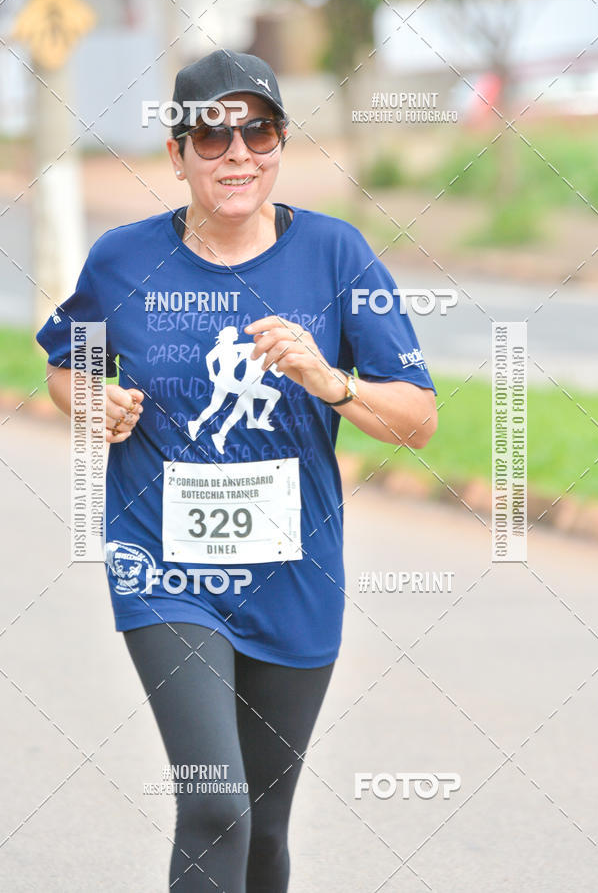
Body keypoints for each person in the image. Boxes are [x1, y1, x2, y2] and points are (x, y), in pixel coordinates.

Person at [36, 48, 438, 892]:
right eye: (211, 136)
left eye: (256, 130)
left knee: (263, 827)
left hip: (294, 573)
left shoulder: (336, 255)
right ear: (176, 154)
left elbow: (418, 419)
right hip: (164, 566)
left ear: (281, 142)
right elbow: (69, 360)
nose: (237, 154)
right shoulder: (123, 260)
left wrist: (331, 382)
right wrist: (89, 401)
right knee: (216, 801)